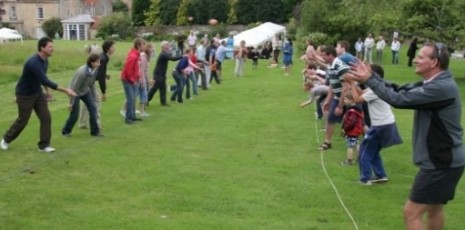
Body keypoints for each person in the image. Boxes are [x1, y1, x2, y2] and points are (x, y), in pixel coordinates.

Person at [349, 42, 465, 229]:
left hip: (440, 162)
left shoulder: (440, 88)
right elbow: (398, 89)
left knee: (412, 213)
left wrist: (370, 79)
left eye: (421, 56)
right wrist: (372, 77)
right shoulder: (435, 83)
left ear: (434, 62)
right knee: (434, 209)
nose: (415, 59)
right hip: (447, 160)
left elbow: (399, 100)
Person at [0, 37, 76, 152]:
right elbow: (46, 80)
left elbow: (42, 79)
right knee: (23, 120)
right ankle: (6, 139)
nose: (53, 49)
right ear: (42, 48)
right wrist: (66, 90)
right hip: (24, 94)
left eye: (52, 46)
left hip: (37, 92)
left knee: (46, 117)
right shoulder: (33, 63)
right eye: (50, 46)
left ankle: (44, 145)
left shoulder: (45, 60)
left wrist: (47, 91)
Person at [348, 64, 403, 184]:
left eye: (367, 71)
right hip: (386, 124)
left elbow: (357, 99)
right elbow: (362, 92)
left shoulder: (375, 90)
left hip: (381, 126)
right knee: (372, 150)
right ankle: (380, 175)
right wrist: (355, 82)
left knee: (364, 150)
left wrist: (351, 83)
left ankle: (365, 179)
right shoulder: (379, 87)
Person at [312, 46, 350, 150]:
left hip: (350, 99)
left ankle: (368, 140)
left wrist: (340, 106)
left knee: (358, 122)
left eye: (324, 55)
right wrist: (328, 100)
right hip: (338, 97)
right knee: (330, 119)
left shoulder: (340, 66)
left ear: (331, 55)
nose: (322, 58)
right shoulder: (330, 66)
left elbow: (346, 87)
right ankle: (327, 142)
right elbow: (332, 86)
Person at [62, 54, 102, 137]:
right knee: (75, 114)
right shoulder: (82, 72)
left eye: (99, 62)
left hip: (85, 91)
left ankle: (95, 132)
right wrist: (71, 102)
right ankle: (66, 131)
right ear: (91, 63)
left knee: (93, 109)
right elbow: (74, 88)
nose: (99, 64)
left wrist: (95, 95)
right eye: (97, 62)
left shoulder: (95, 69)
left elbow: (91, 83)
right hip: (74, 92)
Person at [79, 39, 115, 129]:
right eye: (112, 47)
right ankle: (96, 125)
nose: (114, 48)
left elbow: (98, 72)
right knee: (97, 101)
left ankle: (82, 123)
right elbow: (101, 77)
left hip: (88, 80)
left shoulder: (104, 57)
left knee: (86, 102)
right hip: (89, 81)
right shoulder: (103, 59)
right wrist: (104, 92)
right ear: (107, 49)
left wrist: (105, 75)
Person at [147, 41, 182, 106]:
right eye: (167, 45)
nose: (169, 46)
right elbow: (172, 58)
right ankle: (146, 100)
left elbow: (172, 55)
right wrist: (181, 56)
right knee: (154, 88)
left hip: (162, 74)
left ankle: (163, 102)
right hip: (158, 74)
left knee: (163, 88)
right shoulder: (163, 54)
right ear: (163, 47)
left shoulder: (166, 53)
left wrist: (178, 52)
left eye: (168, 44)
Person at [121, 38, 145, 124]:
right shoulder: (133, 56)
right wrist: (133, 80)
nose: (144, 46)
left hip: (134, 80)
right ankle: (128, 118)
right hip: (128, 80)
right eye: (143, 44)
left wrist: (138, 78)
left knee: (133, 98)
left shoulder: (137, 55)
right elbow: (128, 70)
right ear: (138, 45)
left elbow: (136, 69)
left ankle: (132, 116)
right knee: (130, 99)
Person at [341, 92, 364, 166]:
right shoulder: (356, 110)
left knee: (350, 146)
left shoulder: (352, 111)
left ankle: (349, 161)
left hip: (352, 132)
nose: (344, 101)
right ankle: (360, 158)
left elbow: (351, 122)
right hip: (356, 131)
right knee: (357, 143)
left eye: (346, 100)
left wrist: (345, 129)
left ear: (352, 100)